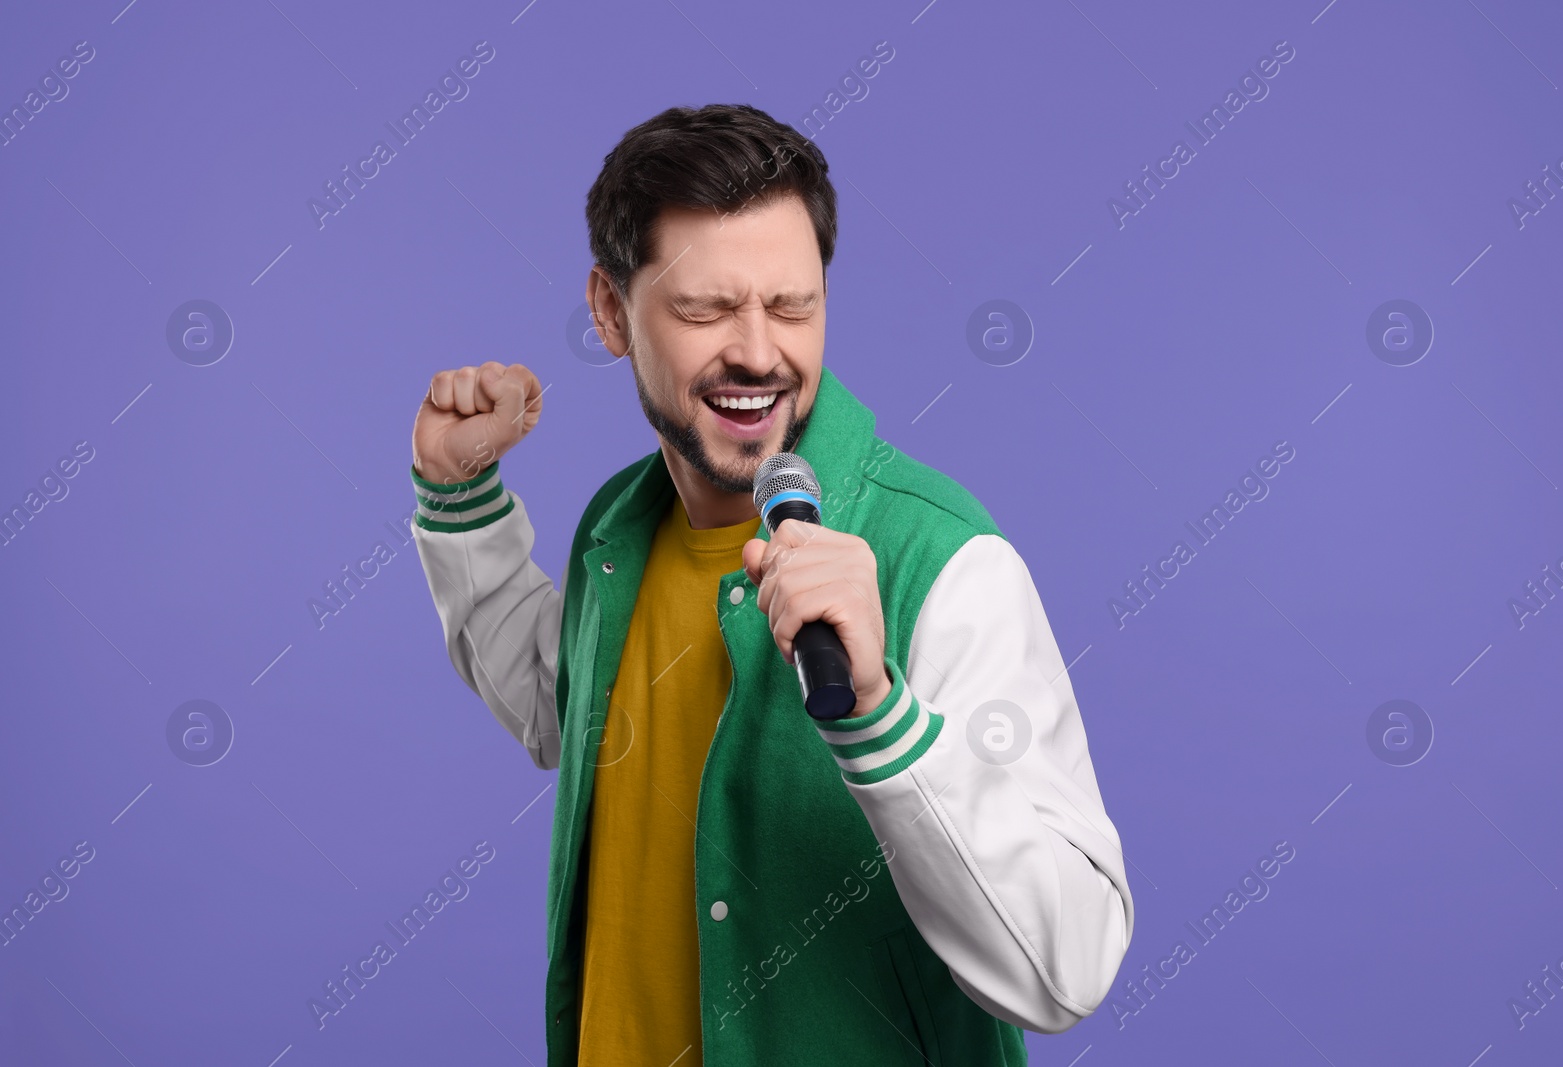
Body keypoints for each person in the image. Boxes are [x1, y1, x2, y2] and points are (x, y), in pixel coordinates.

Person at [407, 103, 1133, 1067]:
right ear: (611, 312)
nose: (758, 352)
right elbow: (566, 711)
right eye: (706, 309)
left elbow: (1065, 967)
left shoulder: (943, 559)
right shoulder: (616, 532)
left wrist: (879, 716)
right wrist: (461, 499)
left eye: (794, 305)